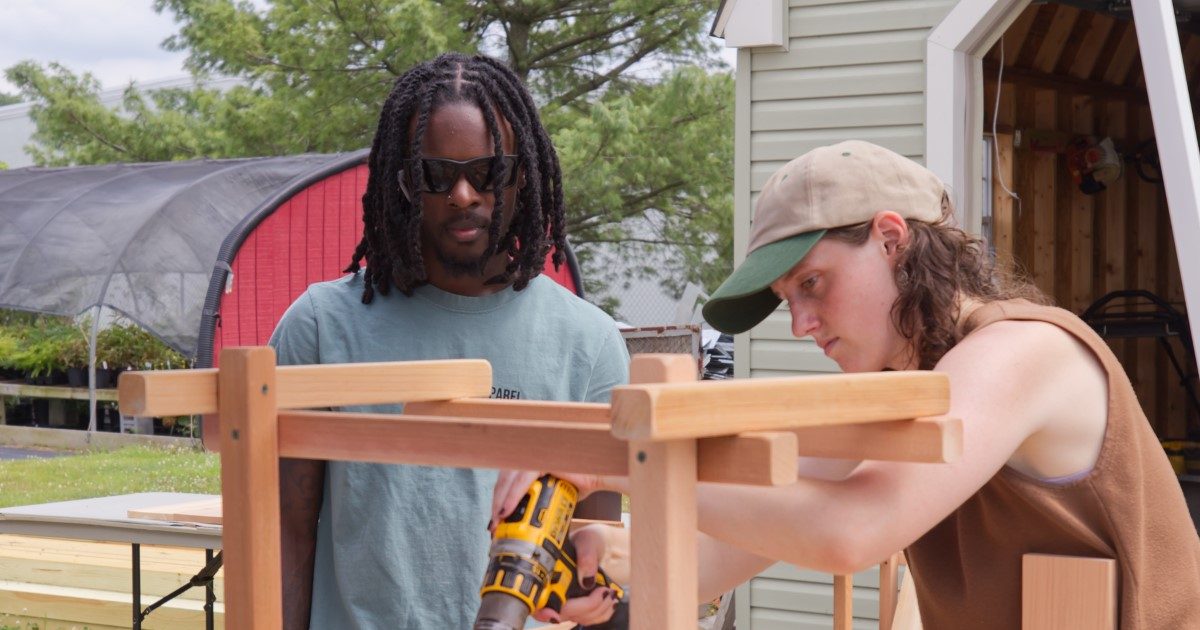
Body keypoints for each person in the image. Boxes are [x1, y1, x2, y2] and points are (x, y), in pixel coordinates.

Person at [493, 140, 1200, 628]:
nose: (801, 323)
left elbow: (848, 532)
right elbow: (710, 563)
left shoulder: (1027, 351)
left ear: (892, 239)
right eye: (786, 297)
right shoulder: (904, 392)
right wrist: (607, 569)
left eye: (813, 284)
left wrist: (618, 460)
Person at [270, 52, 628, 629]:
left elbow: (593, 551)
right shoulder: (320, 327)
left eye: (487, 172)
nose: (463, 194)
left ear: (523, 175)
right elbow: (284, 535)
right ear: (403, 182)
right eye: (436, 175)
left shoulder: (588, 342)